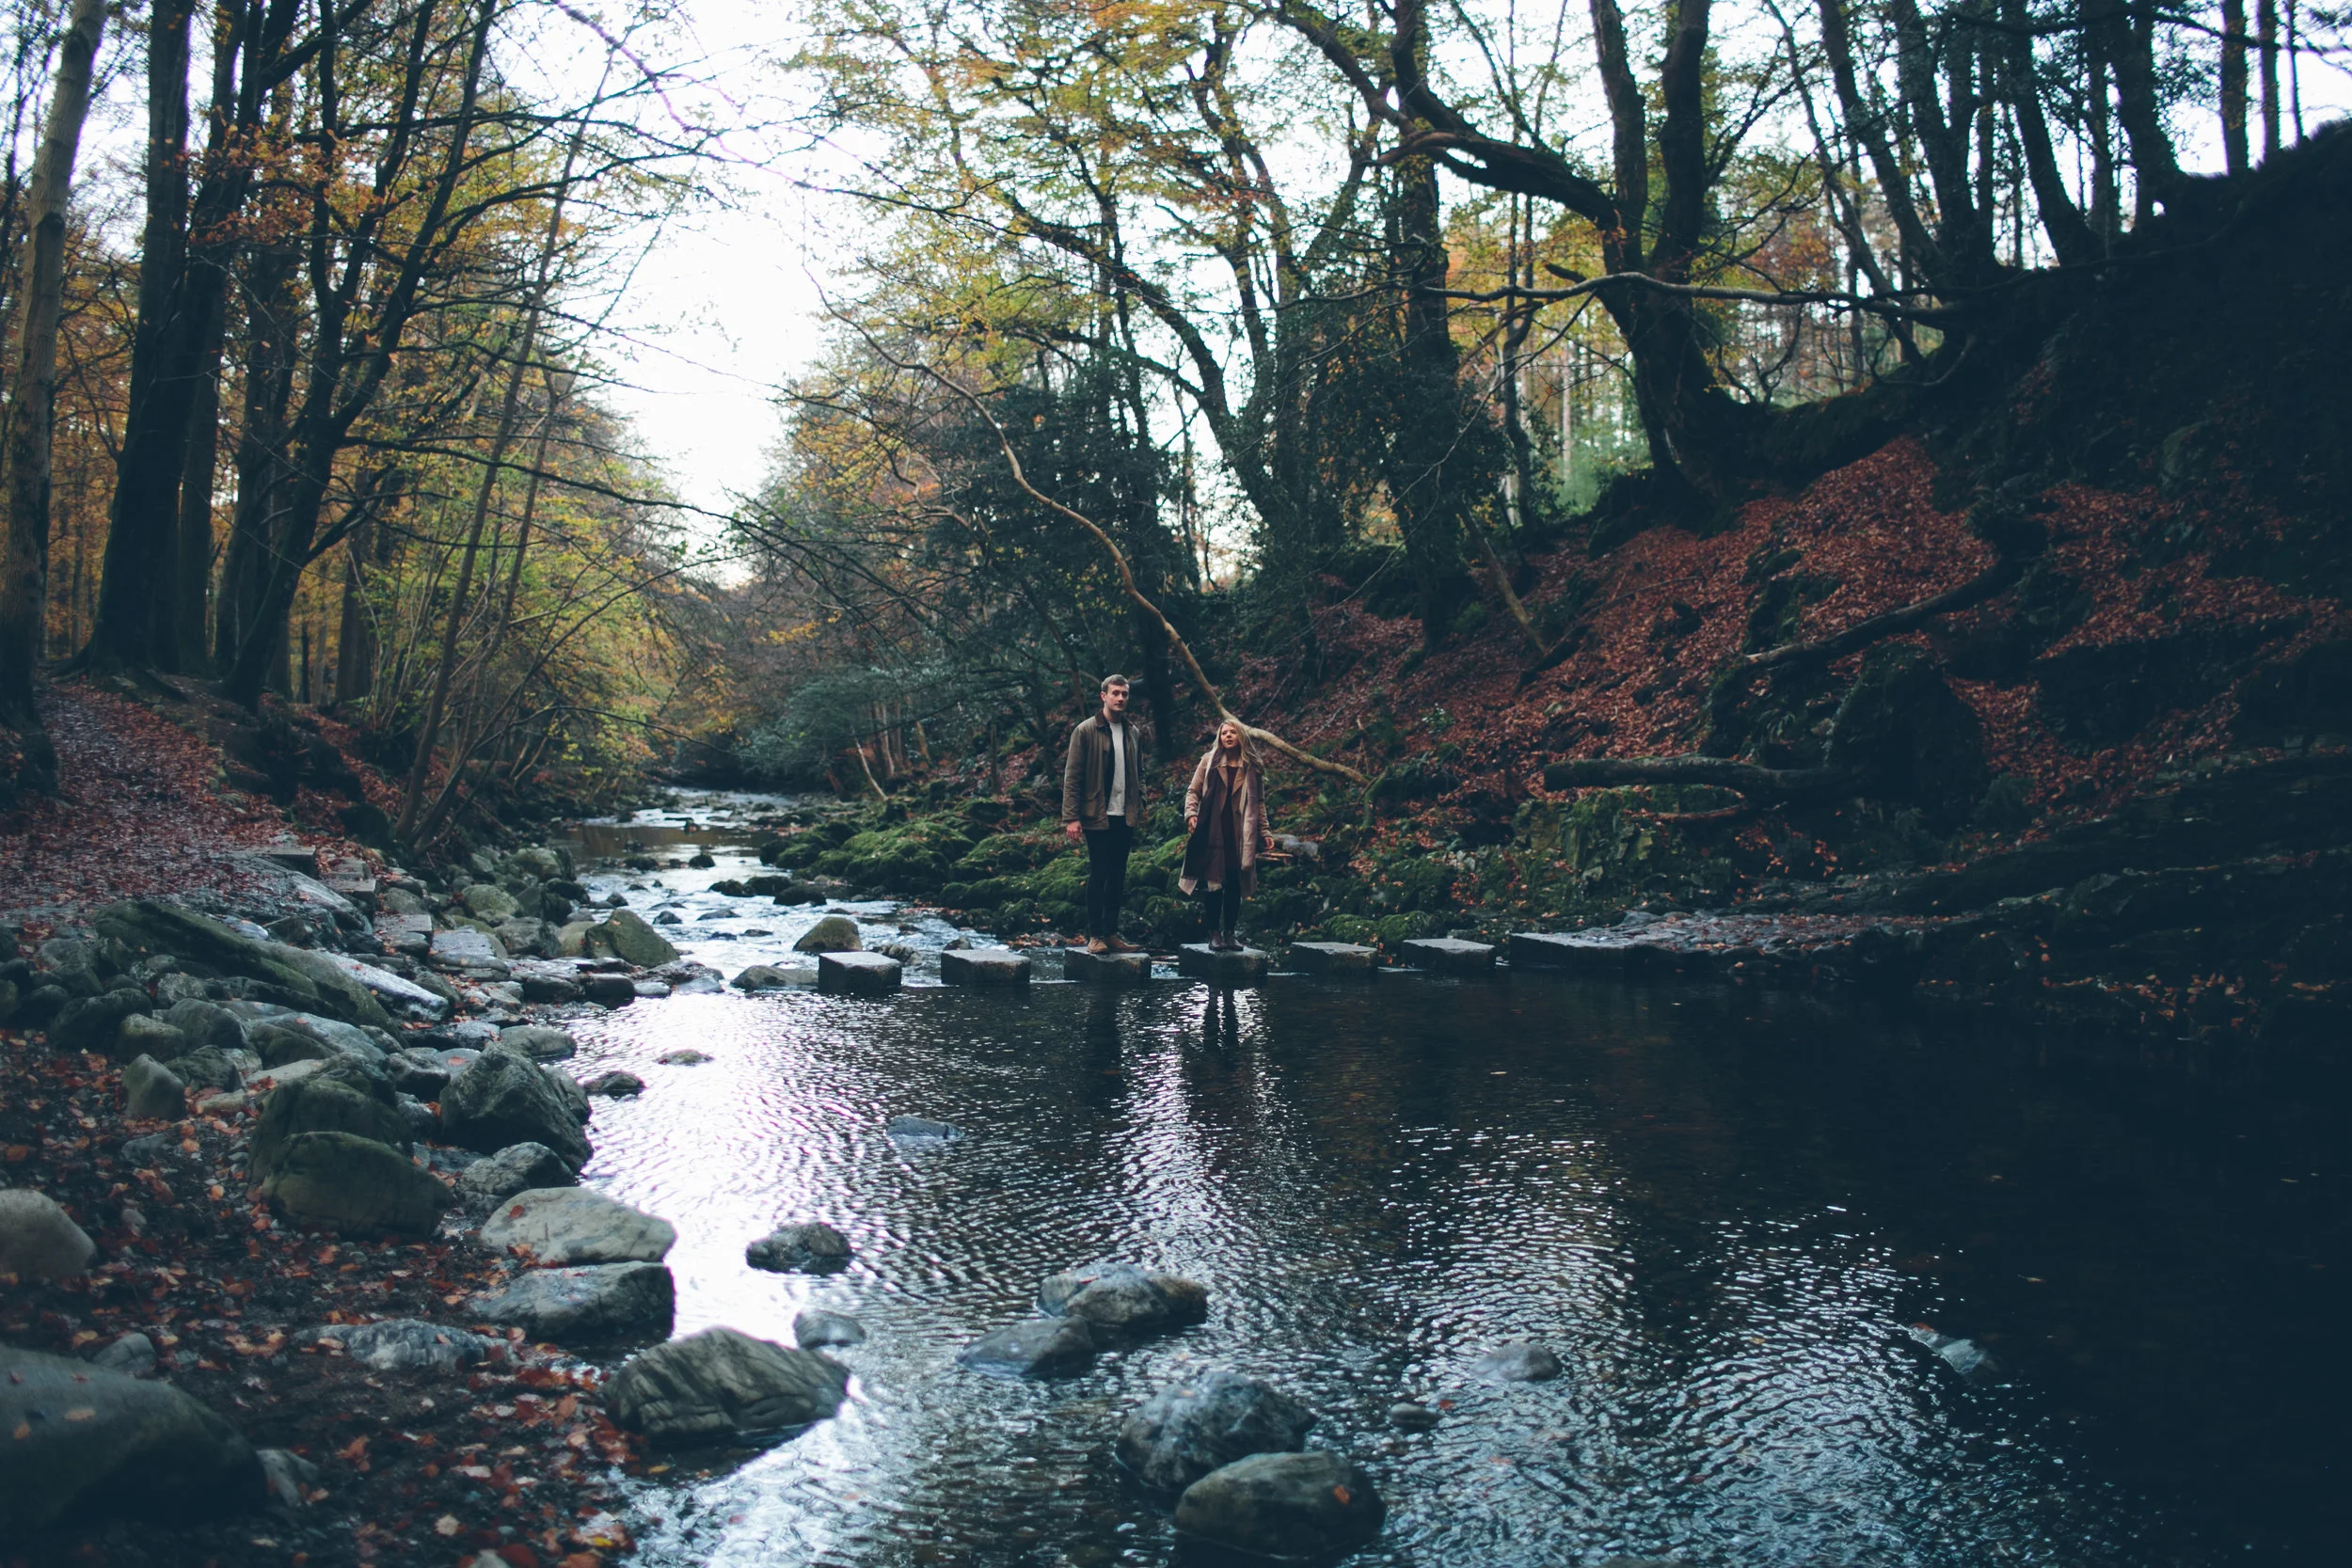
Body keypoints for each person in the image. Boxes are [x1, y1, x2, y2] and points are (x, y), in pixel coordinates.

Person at [1061, 673, 1147, 954]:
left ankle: (1110, 933)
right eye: (1115, 693)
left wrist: (1141, 801)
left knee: (1118, 875)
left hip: (1126, 814)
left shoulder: (1133, 732)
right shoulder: (1085, 731)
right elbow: (1072, 776)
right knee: (1099, 873)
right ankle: (1095, 935)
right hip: (1097, 813)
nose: (1120, 698)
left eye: (1124, 694)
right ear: (1103, 696)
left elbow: (1140, 773)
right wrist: (1071, 818)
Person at [1180, 717, 1274, 951]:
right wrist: (1191, 814)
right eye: (1224, 733)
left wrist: (1264, 830)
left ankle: (1230, 934)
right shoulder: (1208, 761)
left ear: (1241, 736)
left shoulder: (1252, 768)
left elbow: (1259, 802)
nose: (1228, 736)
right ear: (1219, 738)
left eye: (1233, 732)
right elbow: (1193, 791)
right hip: (1213, 829)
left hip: (1240, 832)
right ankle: (1214, 934)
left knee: (1234, 883)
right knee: (1214, 883)